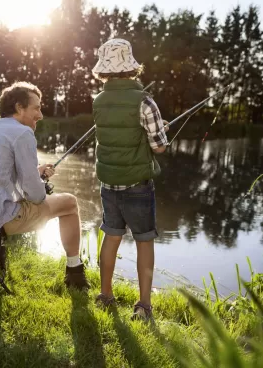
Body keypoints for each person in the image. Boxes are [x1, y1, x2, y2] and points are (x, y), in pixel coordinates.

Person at [0, 81, 90, 290]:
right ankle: (75, 271)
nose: (40, 115)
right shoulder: (23, 133)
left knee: (14, 199)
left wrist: (36, 171)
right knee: (70, 203)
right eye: (37, 108)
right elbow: (35, 196)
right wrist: (39, 184)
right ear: (19, 108)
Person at [90, 38, 169, 321]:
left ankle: (105, 295)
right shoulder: (145, 101)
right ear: (131, 68)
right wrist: (160, 132)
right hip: (137, 184)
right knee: (144, 241)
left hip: (108, 184)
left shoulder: (98, 100)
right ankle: (144, 306)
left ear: (105, 71)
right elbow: (158, 146)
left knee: (111, 236)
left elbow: (115, 136)